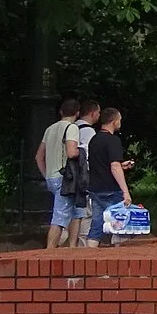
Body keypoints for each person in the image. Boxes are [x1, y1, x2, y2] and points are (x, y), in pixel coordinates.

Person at [35, 99, 82, 249]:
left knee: (77, 211)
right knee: (59, 218)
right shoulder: (72, 128)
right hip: (66, 179)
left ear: (61, 112)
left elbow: (38, 156)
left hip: (52, 176)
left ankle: (71, 249)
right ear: (77, 113)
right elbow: (71, 152)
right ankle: (50, 251)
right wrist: (82, 151)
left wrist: (46, 174)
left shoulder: (50, 129)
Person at [83, 108, 132, 247]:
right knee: (119, 224)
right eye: (119, 120)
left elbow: (101, 163)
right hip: (111, 189)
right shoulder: (113, 140)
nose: (120, 123)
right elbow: (114, 166)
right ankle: (119, 256)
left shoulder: (94, 140)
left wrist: (122, 166)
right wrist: (125, 192)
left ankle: (89, 254)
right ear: (114, 121)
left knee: (97, 223)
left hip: (95, 189)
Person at [63, 100, 102, 248]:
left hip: (69, 176)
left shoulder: (72, 128)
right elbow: (90, 157)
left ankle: (65, 240)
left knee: (70, 211)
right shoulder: (90, 132)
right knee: (85, 214)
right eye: (98, 112)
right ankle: (83, 248)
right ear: (93, 113)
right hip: (84, 178)